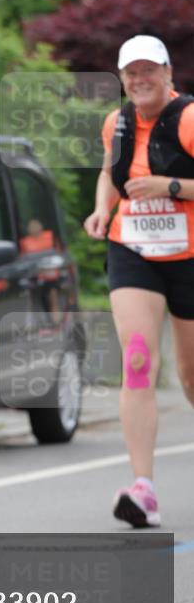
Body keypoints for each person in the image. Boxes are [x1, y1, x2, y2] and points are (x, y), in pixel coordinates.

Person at [84, 34, 194, 528]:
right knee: (137, 359)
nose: (140, 79)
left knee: (191, 378)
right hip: (133, 249)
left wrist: (169, 187)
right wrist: (100, 209)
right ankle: (143, 487)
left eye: (150, 70)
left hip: (189, 255)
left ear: (169, 74)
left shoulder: (189, 119)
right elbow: (111, 172)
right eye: (131, 72)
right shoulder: (118, 122)